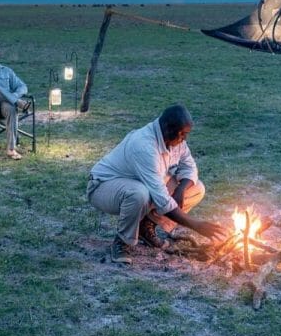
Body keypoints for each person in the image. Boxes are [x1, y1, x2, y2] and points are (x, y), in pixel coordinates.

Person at [87, 104, 228, 259]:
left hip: (143, 184)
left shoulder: (176, 139)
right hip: (103, 187)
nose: (184, 138)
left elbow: (189, 167)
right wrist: (196, 225)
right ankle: (122, 241)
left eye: (186, 134)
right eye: (182, 134)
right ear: (167, 127)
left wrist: (180, 190)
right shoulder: (144, 145)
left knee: (196, 188)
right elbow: (161, 198)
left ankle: (145, 228)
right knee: (139, 194)